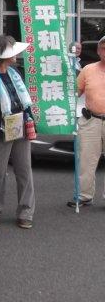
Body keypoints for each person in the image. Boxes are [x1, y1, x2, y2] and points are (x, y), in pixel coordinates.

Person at [0, 36, 35, 229]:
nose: (16, 55)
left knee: (24, 170)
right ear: (2, 55)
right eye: (12, 51)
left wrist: (30, 121)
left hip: (21, 124)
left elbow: (23, 100)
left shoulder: (14, 72)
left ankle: (26, 211)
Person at [68, 35, 105, 208]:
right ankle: (84, 195)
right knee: (85, 160)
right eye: (103, 48)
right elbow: (75, 92)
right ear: (98, 51)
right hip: (91, 120)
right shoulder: (88, 70)